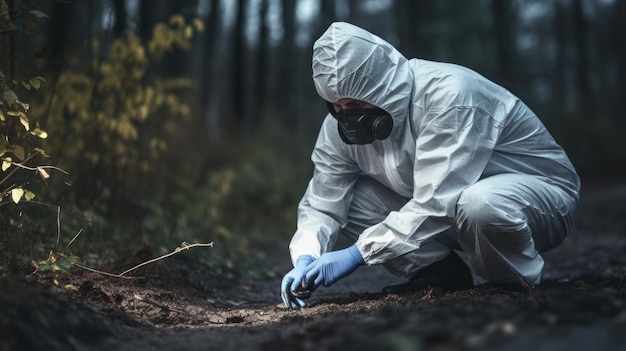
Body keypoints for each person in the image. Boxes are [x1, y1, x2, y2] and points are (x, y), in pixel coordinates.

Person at [280, 22, 580, 309]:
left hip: (539, 201)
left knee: (479, 203)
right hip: (453, 214)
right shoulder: (336, 129)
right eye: (337, 106)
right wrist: (307, 257)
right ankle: (440, 272)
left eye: (356, 105)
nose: (346, 116)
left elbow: (437, 201)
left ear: (381, 88)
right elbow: (323, 203)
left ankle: (509, 286)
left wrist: (357, 253)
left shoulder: (450, 95)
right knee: (353, 200)